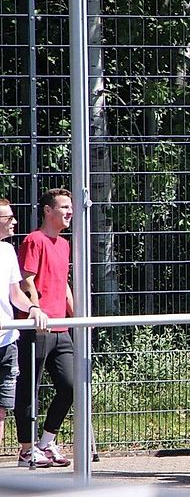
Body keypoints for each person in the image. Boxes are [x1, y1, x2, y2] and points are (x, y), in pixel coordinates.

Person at [13, 189, 77, 468]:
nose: (69, 212)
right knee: (29, 389)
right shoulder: (34, 240)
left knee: (71, 386)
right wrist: (36, 309)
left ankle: (46, 441)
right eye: (63, 207)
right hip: (37, 328)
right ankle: (27, 448)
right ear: (48, 211)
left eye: (70, 207)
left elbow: (62, 283)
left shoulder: (64, 244)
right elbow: (27, 279)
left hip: (61, 328)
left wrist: (77, 316)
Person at [0, 199, 49, 462]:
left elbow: (15, 293)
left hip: (7, 341)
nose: (14, 222)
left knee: (1, 409)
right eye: (8, 218)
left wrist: (32, 308)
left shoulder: (7, 251)